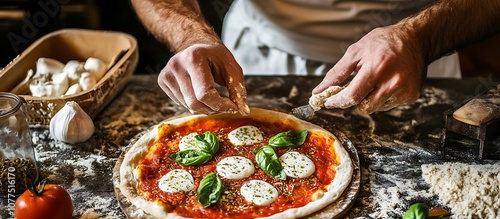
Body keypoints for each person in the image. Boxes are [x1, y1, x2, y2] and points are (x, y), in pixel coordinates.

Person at [131, 0, 500, 115]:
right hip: (257, 58)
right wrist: (191, 36)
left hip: (414, 51)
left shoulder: (418, 41)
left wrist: (419, 38)